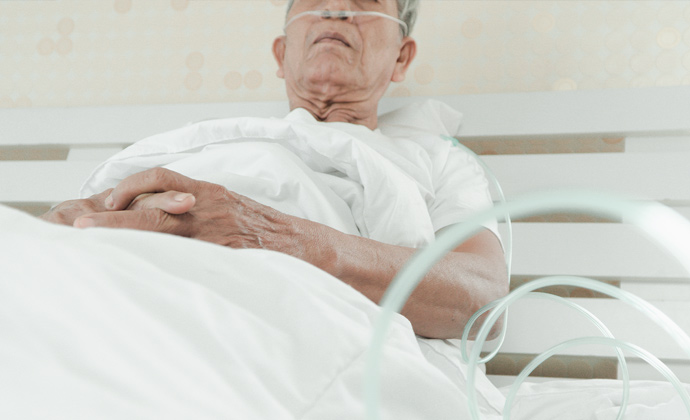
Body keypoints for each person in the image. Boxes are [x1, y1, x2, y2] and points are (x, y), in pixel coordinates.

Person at [39, 0, 508, 340]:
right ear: (281, 55)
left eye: (365, 0)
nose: (337, 9)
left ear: (402, 57)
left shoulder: (438, 161)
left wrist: (285, 240)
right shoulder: (212, 142)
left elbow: (484, 301)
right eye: (315, 1)